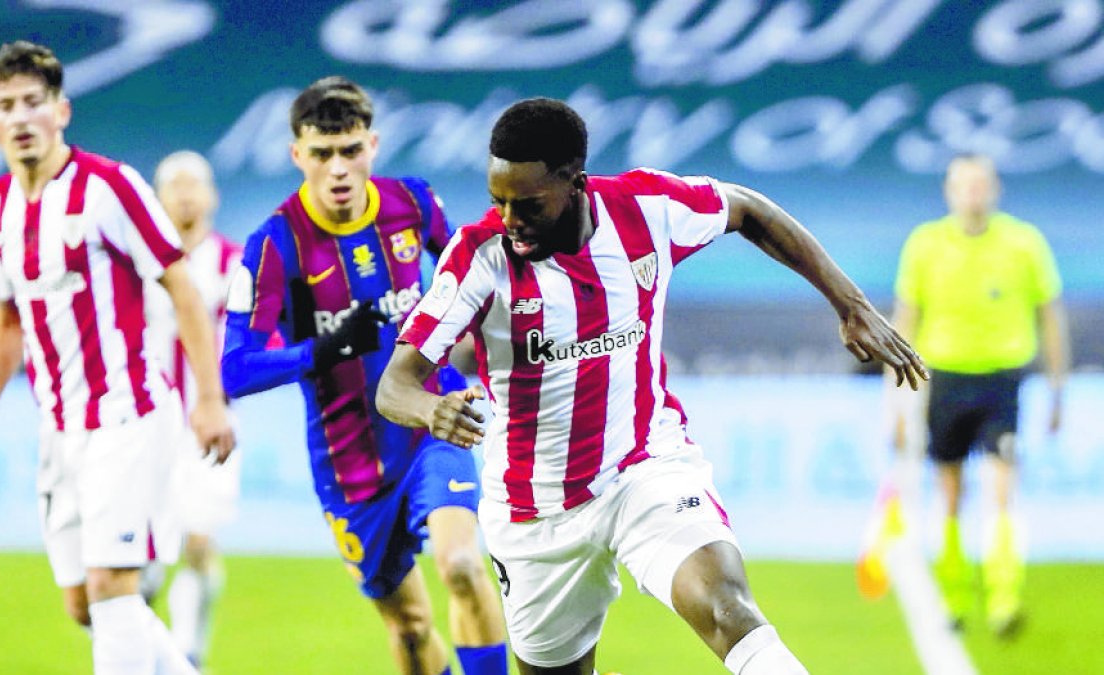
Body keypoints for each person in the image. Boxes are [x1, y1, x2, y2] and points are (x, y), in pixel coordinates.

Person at [376, 97, 928, 675]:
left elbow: (748, 208)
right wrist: (430, 409)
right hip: (533, 509)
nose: (511, 221)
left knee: (728, 609)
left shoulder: (647, 209)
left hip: (644, 467)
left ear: (575, 183)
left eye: (529, 204)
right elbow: (395, 385)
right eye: (500, 202)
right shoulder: (478, 257)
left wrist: (851, 304)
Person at [0, 40, 234, 674]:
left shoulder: (110, 188)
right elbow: (8, 317)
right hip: (59, 427)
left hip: (129, 414)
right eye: (7, 105)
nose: (22, 116)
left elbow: (181, 285)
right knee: (85, 602)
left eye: (35, 101)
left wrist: (209, 399)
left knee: (115, 587)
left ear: (62, 111)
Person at [220, 76, 508, 675]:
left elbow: (480, 288)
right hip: (350, 463)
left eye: (350, 150)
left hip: (433, 420)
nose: (339, 169)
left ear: (372, 145)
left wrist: (484, 368)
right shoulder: (273, 246)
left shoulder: (414, 203)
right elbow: (233, 369)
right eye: (322, 154)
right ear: (297, 155)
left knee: (461, 565)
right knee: (411, 627)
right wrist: (322, 349)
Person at [887, 154, 1068, 635]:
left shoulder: (1024, 243)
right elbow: (905, 323)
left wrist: (1057, 389)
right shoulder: (925, 244)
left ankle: (1005, 598)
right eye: (963, 184)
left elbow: (1050, 316)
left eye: (980, 184)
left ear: (995, 189)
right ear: (949, 191)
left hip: (1002, 381)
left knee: (1001, 487)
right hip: (944, 379)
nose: (973, 193)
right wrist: (897, 404)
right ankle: (955, 595)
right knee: (950, 494)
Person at [143, 150, 244, 666]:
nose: (184, 193)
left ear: (211, 195)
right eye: (173, 184)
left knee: (199, 541)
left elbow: (252, 338)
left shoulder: (234, 261)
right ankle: (149, 646)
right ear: (158, 198)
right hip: (145, 424)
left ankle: (190, 651)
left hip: (210, 423)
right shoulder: (140, 262)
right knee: (146, 557)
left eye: (193, 184)